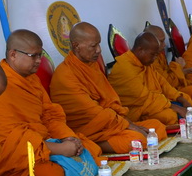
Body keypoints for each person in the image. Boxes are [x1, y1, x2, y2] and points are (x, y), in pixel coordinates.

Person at [0, 30, 101, 176]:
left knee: (91, 149)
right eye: (34, 56)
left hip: (44, 142)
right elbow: (8, 141)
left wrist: (67, 136)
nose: (39, 61)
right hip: (19, 158)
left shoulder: (32, 80)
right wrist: (60, 149)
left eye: (40, 55)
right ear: (13, 54)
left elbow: (50, 114)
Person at [50, 21, 167, 153]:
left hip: (110, 124)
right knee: (137, 139)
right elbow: (94, 113)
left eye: (99, 44)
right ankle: (94, 144)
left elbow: (110, 101)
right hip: (89, 129)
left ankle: (115, 138)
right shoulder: (65, 75)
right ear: (76, 46)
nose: (99, 50)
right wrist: (128, 126)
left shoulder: (91, 65)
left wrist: (128, 123)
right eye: (93, 46)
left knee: (157, 126)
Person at [108, 30, 189, 129]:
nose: (154, 58)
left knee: (186, 98)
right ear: (140, 50)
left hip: (154, 103)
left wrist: (180, 98)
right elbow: (144, 98)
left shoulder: (144, 63)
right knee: (169, 116)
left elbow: (163, 84)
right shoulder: (124, 68)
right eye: (153, 55)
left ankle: (182, 121)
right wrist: (175, 107)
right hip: (137, 110)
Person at [143, 25, 192, 104]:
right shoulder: (150, 60)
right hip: (163, 94)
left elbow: (168, 75)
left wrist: (187, 70)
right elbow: (167, 83)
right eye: (161, 41)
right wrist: (178, 66)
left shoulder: (159, 55)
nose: (164, 45)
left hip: (172, 88)